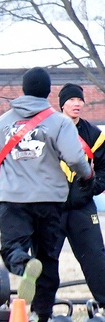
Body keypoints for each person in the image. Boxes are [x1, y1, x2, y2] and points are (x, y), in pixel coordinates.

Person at [0, 67, 93, 322]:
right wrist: (86, 174)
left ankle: (22, 262)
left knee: (11, 248)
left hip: (13, 197)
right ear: (48, 91)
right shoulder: (59, 122)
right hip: (50, 199)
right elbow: (76, 159)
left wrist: (14, 167)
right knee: (48, 258)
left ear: (24, 89)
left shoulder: (4, 121)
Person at [58, 83, 105, 306]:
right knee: (43, 260)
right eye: (71, 100)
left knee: (96, 258)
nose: (76, 104)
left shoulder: (94, 134)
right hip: (51, 207)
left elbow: (104, 168)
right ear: (62, 104)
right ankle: (40, 311)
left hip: (82, 208)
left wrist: (91, 189)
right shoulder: (49, 129)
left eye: (80, 100)